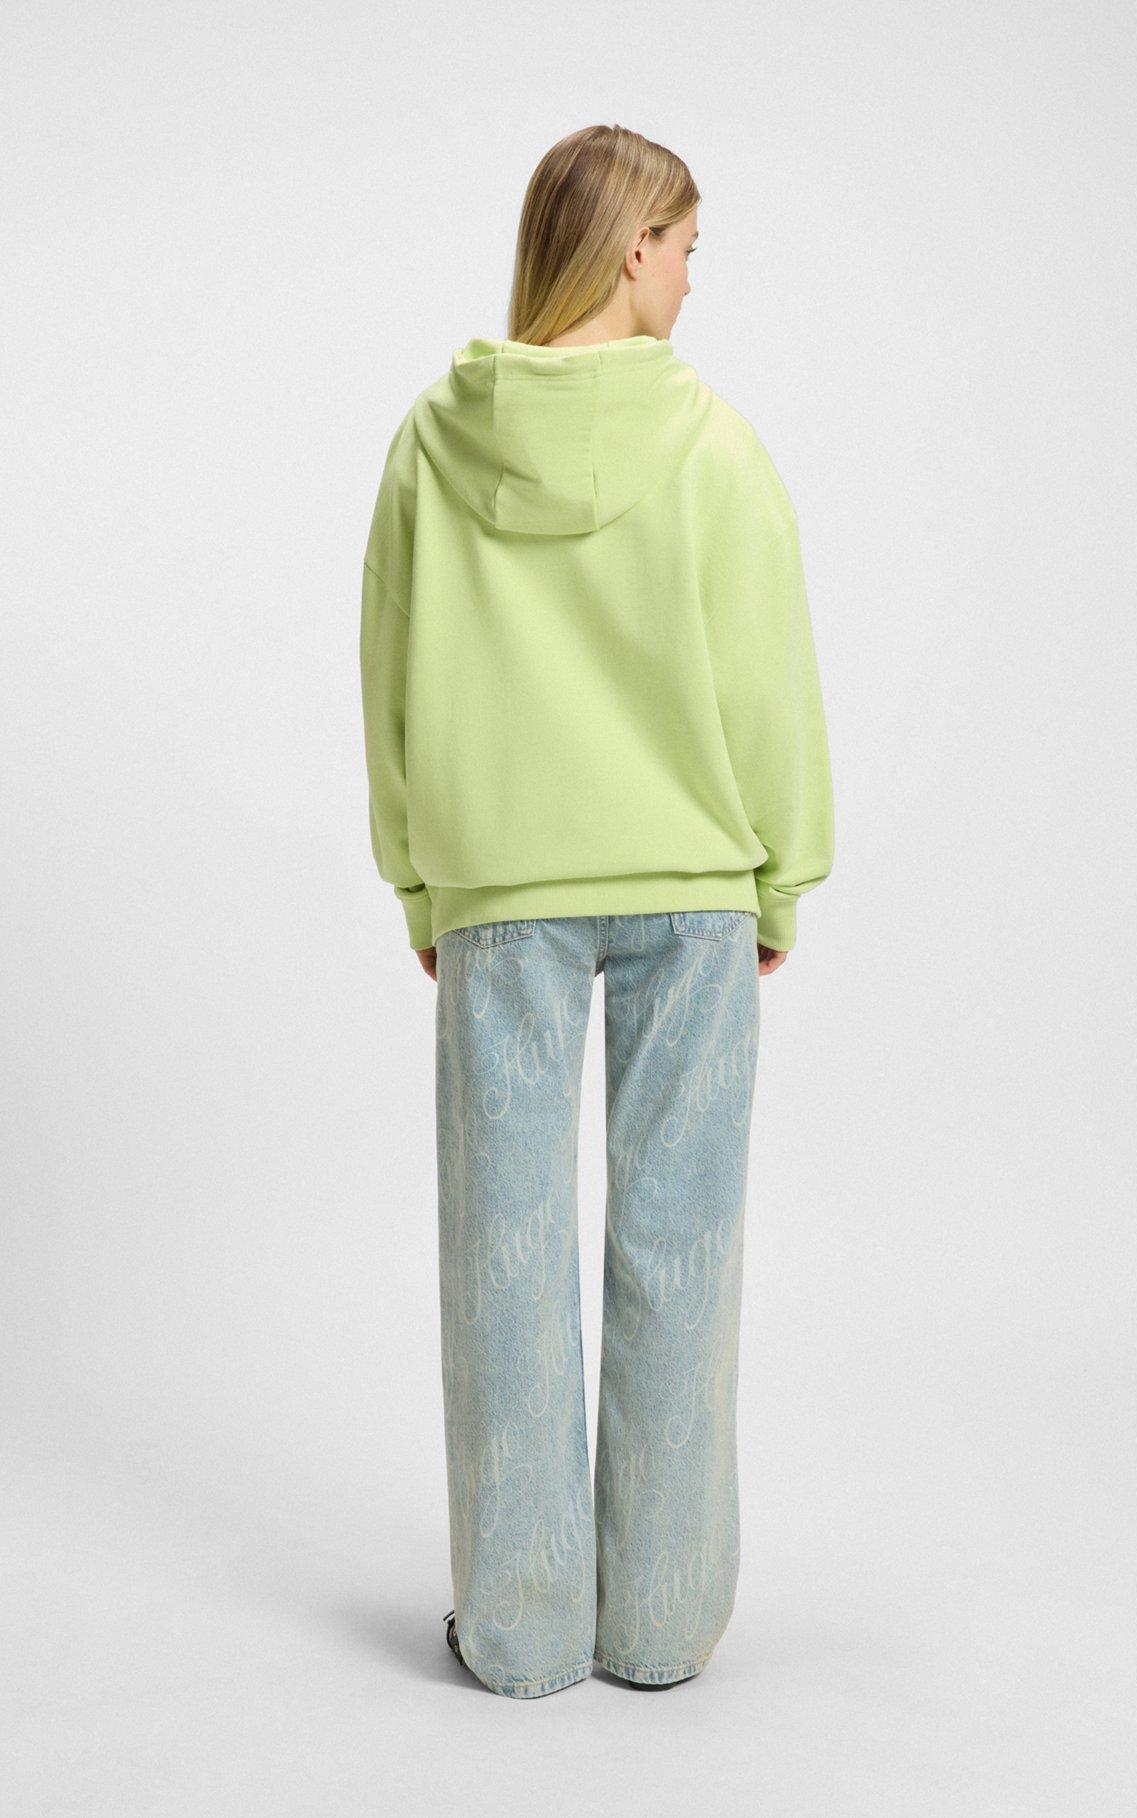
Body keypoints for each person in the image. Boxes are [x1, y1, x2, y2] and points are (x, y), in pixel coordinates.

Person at [359, 123, 835, 1699]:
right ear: (634, 249)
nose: (693, 277)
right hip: (693, 894)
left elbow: (391, 673)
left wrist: (421, 872)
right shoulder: (713, 445)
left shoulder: (436, 443)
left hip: (501, 893)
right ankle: (661, 1623)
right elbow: (769, 677)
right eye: (688, 247)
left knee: (502, 1255)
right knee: (678, 1248)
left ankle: (519, 1628)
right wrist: (780, 870)